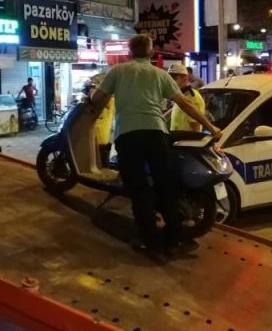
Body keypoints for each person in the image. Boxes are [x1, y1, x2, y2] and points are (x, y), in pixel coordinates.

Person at [89, 34, 223, 255]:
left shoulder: (118, 71)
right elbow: (185, 104)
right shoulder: (160, 74)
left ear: (130, 52)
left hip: (128, 135)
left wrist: (94, 100)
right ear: (150, 52)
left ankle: (150, 243)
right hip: (156, 133)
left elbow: (97, 99)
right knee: (165, 186)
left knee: (139, 190)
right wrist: (211, 126)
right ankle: (174, 238)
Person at [167, 63, 206, 132]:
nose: (171, 82)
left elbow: (196, 128)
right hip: (177, 137)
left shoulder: (192, 97)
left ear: (185, 78)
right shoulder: (181, 95)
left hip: (186, 138)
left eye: (174, 78)